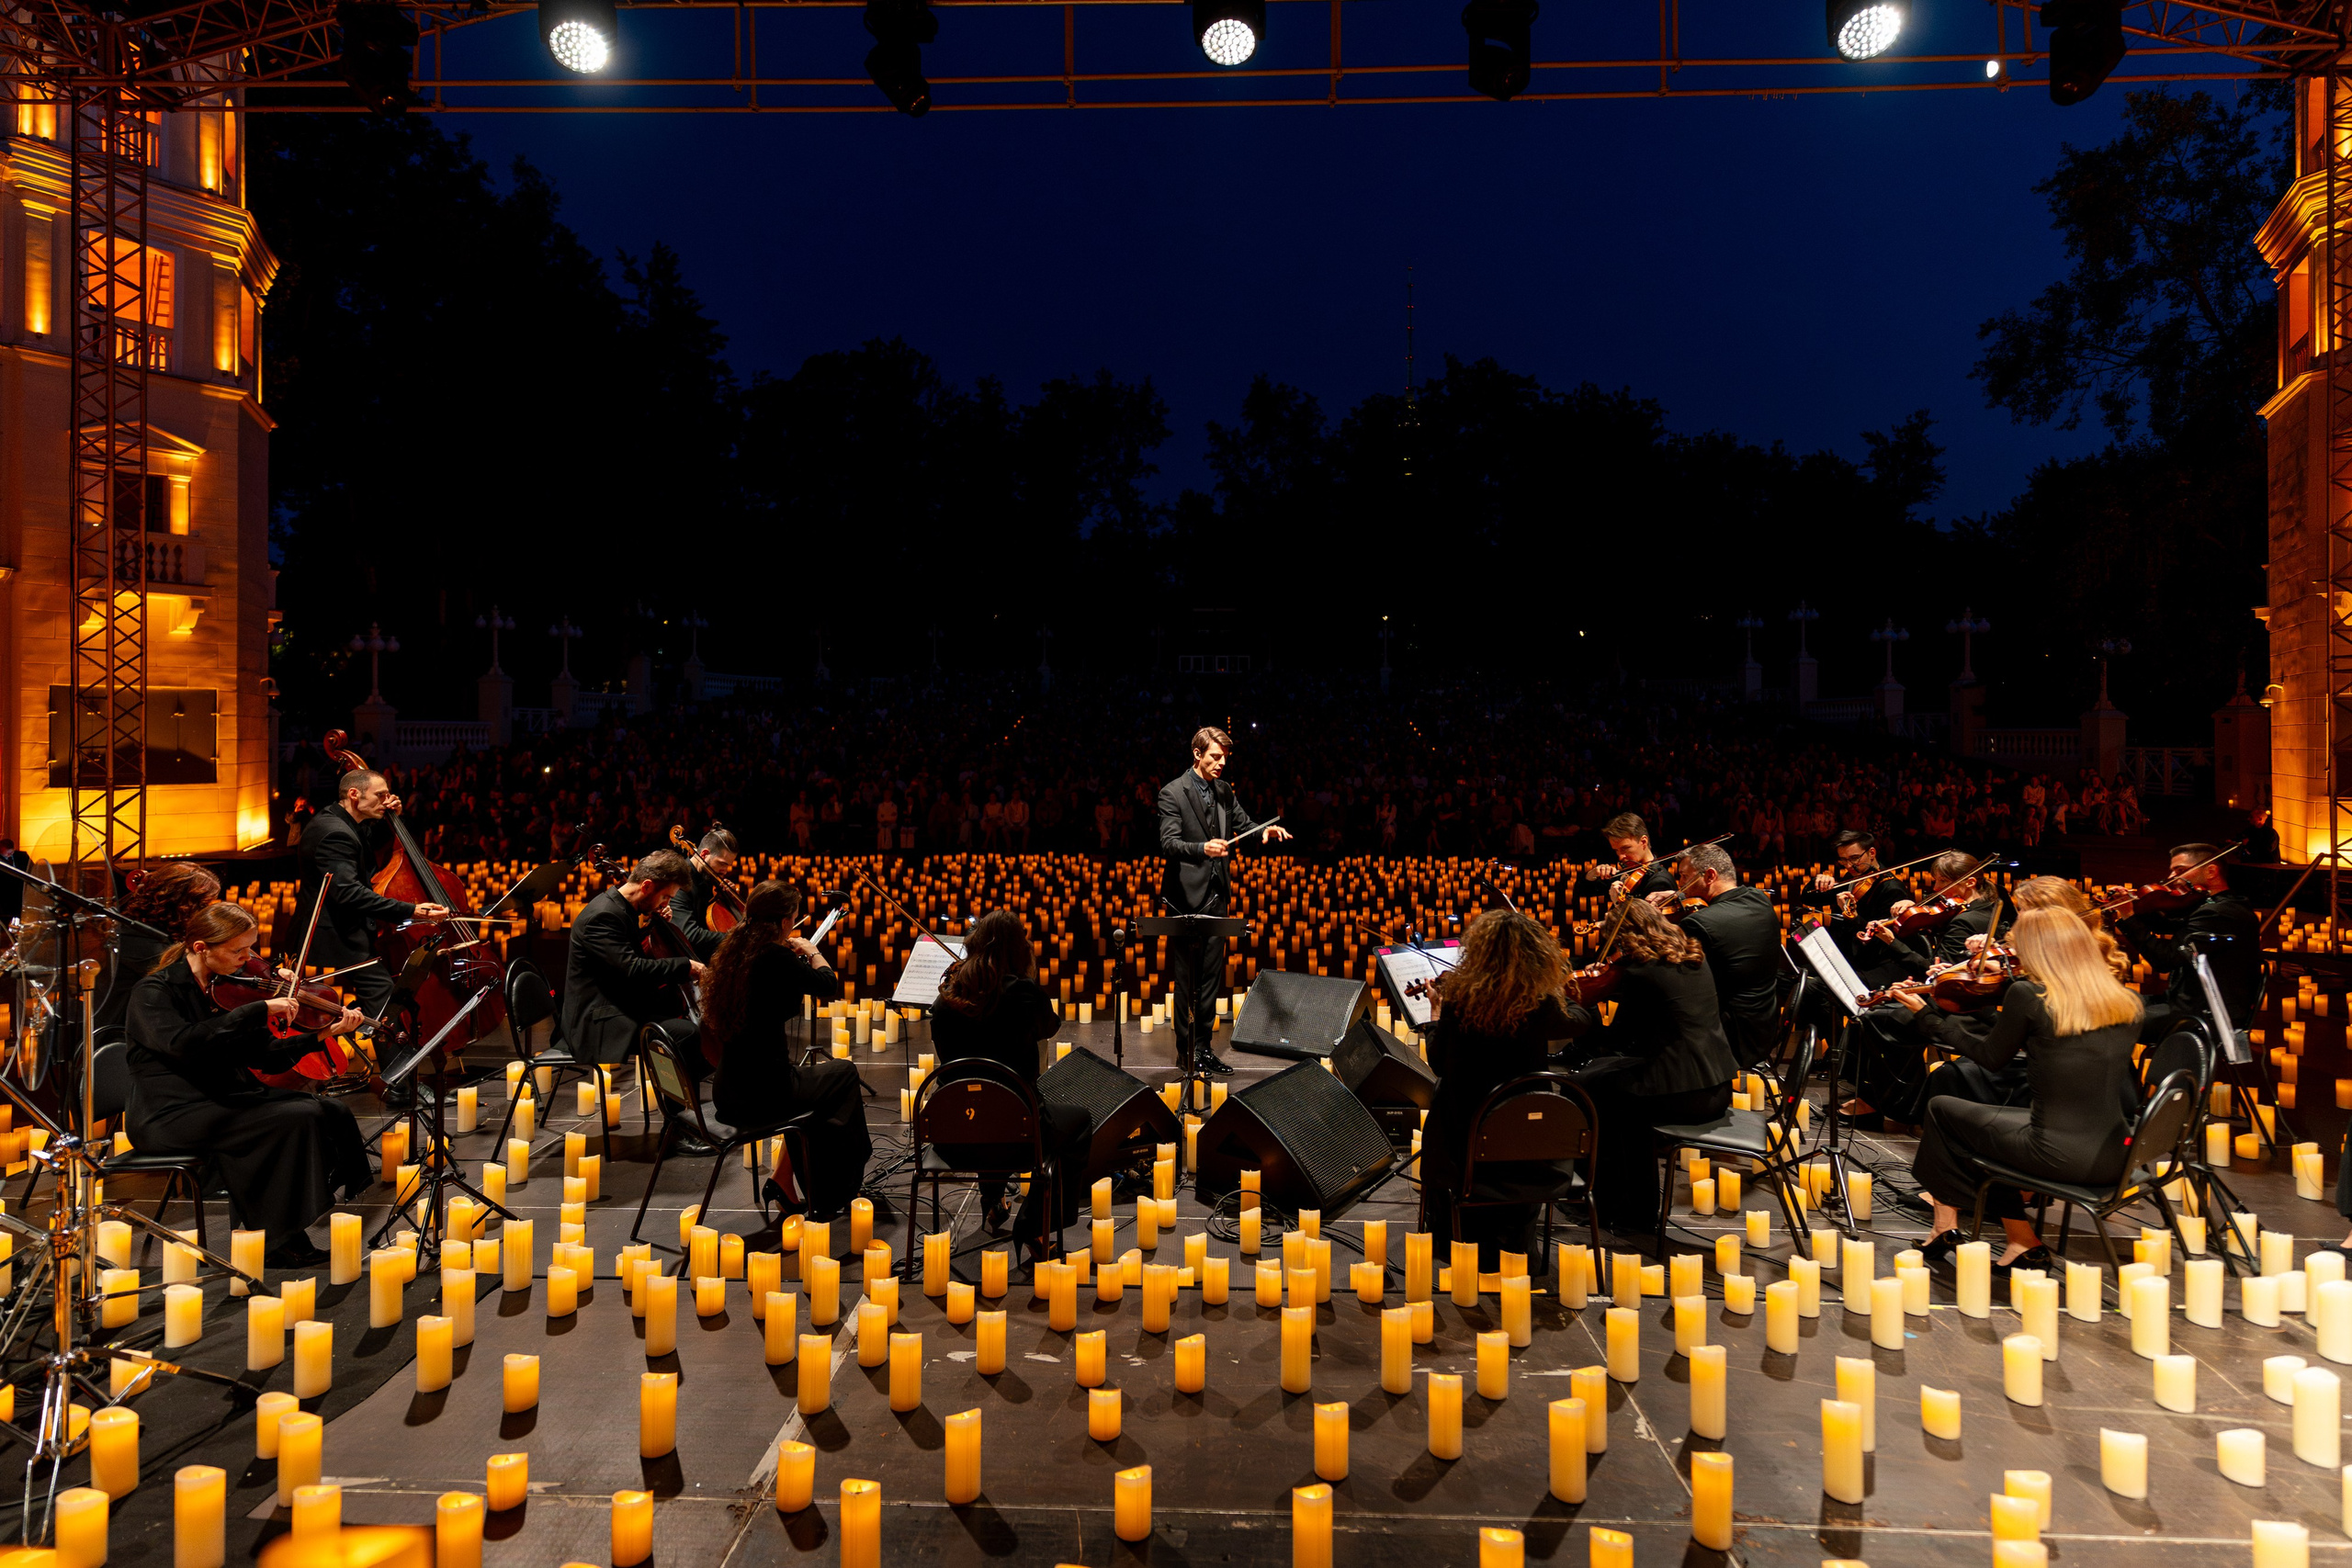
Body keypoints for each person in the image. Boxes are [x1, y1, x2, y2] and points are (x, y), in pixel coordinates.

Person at [123, 901, 374, 1267]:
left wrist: (322, 1035)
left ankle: (280, 1227)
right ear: (200, 948)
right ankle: (276, 1241)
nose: (248, 959)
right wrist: (256, 1011)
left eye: (252, 948)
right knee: (293, 1116)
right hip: (170, 1113)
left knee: (329, 1110)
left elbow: (266, 1057)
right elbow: (183, 1044)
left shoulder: (233, 989)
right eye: (237, 951)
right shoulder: (153, 992)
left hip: (224, 1098)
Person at [1905, 908, 2143, 1274]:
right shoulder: (2124, 1000)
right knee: (1984, 1130)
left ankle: (1945, 1225)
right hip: (2117, 1155)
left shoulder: (2029, 994)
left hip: (2056, 1153)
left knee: (1941, 1108)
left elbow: (1989, 1057)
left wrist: (1928, 1015)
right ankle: (2018, 1241)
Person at [1561, 897, 1741, 1236]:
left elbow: (1622, 1037)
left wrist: (1584, 1012)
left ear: (1624, 936)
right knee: (1593, 1077)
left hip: (1686, 1094)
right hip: (1716, 1085)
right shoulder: (1690, 956)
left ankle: (1621, 1207)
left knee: (1596, 1093)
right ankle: (1608, 1197)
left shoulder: (1640, 971)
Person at [1420, 910, 1580, 1271]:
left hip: (1468, 1146)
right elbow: (1582, 1020)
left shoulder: (1461, 1001)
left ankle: (1454, 1237)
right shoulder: (1542, 1004)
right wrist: (1556, 986)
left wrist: (1435, 1013)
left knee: (1443, 1097)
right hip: (1534, 1149)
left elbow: (1440, 1065)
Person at [929, 910, 1091, 1262]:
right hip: (1019, 1136)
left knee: (985, 1105)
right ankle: (1034, 1224)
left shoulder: (944, 999)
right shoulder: (1022, 993)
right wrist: (1027, 978)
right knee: (1074, 1124)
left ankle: (992, 1202)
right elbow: (1049, 1026)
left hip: (953, 1135)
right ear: (1019, 949)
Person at [699, 881, 865, 1221]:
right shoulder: (775, 957)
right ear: (786, 922)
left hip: (730, 1087)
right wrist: (811, 951)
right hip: (763, 1092)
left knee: (819, 1094)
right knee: (843, 1076)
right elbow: (826, 984)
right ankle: (836, 1185)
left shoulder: (735, 948)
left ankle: (784, 1179)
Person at [1156, 727, 1293, 1076]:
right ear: (1197, 755)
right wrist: (1203, 849)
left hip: (1217, 897)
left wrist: (1264, 830)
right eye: (1215, 757)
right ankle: (1186, 1052)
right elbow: (1169, 844)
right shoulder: (1172, 793)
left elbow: (1242, 823)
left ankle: (1203, 1047)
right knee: (1187, 979)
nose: (1221, 764)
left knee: (1211, 979)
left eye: (1224, 758)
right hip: (1185, 900)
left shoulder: (1224, 791)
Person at [562, 850, 714, 1155]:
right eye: (665, 897)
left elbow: (627, 956)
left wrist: (650, 922)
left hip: (617, 1002)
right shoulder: (603, 916)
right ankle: (678, 1129)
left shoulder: (624, 908)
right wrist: (685, 965)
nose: (665, 904)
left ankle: (685, 1118)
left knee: (679, 1024)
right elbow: (631, 968)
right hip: (597, 1018)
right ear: (646, 886)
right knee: (679, 1034)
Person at [1842, 851, 2003, 1125]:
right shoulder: (1988, 906)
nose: (1937, 890)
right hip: (1963, 998)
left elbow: (1935, 975)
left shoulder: (1965, 921)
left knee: (1877, 1018)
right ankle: (1877, 1094)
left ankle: (1893, 1102)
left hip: (1959, 1006)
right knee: (1877, 1014)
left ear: (1970, 883)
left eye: (1942, 882)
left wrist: (1892, 942)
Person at [295, 769, 451, 1024]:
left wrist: (393, 817)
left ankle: (388, 1048)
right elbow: (349, 893)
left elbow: (364, 844)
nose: (387, 801)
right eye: (380, 795)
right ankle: (395, 1062)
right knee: (383, 999)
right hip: (334, 937)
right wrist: (413, 910)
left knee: (384, 997)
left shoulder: (344, 821)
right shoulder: (334, 832)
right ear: (354, 794)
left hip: (348, 930)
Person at [2114, 843, 2262, 1041]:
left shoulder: (2221, 913)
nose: (2170, 878)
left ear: (2211, 871)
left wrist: (2129, 915)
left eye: (2180, 870)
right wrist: (2134, 908)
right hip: (2182, 1001)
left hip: (2204, 1015)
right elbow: (2167, 925)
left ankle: (2118, 1072)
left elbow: (2165, 960)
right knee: (2107, 1002)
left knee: (2105, 1022)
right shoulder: (2211, 904)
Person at [1665, 844, 1782, 1066]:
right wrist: (1679, 895)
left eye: (1684, 877)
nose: (1680, 884)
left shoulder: (1699, 923)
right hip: (1762, 1028)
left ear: (1710, 875)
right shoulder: (1759, 899)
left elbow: (1685, 987)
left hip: (1726, 1037)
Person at [96, 863, 220, 1035]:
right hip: (118, 1038)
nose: (206, 912)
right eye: (203, 904)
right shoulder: (134, 939)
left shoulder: (163, 935)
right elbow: (185, 976)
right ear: (181, 903)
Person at [1795, 830, 1917, 990]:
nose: (1849, 865)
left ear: (1871, 853)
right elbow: (1809, 899)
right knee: (1795, 976)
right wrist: (1817, 881)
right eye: (1843, 860)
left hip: (1868, 964)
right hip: (1842, 956)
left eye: (1854, 858)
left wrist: (1853, 916)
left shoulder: (1892, 889)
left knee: (1808, 986)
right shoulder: (1853, 877)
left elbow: (1881, 941)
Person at [666, 828, 741, 960]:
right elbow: (690, 935)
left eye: (728, 866)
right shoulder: (680, 882)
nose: (725, 871)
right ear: (704, 854)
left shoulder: (708, 877)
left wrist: (728, 900)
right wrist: (737, 937)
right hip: (691, 961)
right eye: (722, 864)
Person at [1587, 813, 1679, 902]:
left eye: (1625, 848)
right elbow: (1586, 890)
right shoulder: (1629, 871)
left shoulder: (1660, 882)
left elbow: (1645, 917)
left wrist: (1618, 903)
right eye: (1616, 850)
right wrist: (1593, 874)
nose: (1620, 857)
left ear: (1643, 842)